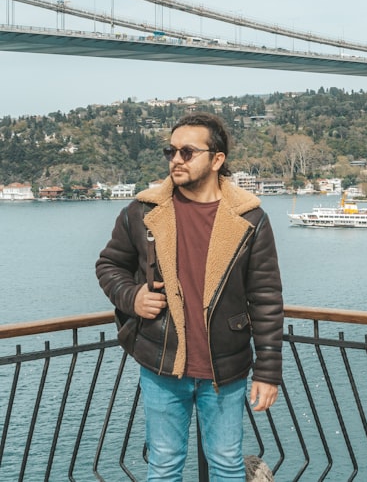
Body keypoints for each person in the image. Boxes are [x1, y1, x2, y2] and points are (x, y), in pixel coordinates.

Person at [96, 112, 283, 481]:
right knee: (164, 466)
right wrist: (132, 297)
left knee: (227, 465)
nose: (176, 160)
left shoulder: (251, 219)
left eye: (187, 151)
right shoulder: (141, 212)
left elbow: (266, 298)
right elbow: (108, 266)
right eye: (171, 151)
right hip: (161, 365)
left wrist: (268, 370)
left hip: (225, 370)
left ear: (217, 160)